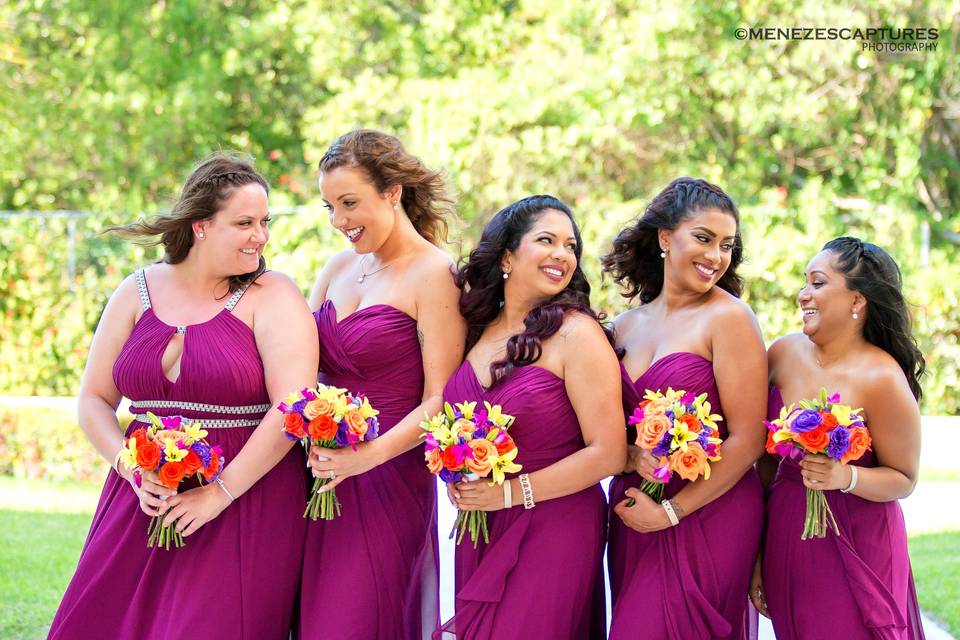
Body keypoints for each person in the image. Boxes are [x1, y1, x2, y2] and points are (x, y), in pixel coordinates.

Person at [48, 153, 318, 639]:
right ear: (201, 227)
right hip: (143, 498)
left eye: (265, 222)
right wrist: (131, 469)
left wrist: (219, 493)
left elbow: (291, 408)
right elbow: (93, 400)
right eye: (244, 223)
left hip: (245, 499)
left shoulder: (273, 295)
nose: (261, 236)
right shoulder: (135, 291)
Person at [436, 195, 625, 640]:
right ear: (506, 255)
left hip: (554, 525)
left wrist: (508, 493)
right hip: (480, 525)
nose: (563, 254)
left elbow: (609, 453)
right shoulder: (474, 330)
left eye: (570, 245)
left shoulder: (577, 333)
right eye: (547, 240)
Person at [302, 129, 466, 640]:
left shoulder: (435, 273)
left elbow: (441, 399)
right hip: (318, 474)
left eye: (349, 203)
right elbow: (302, 371)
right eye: (330, 207)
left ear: (392, 192)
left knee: (357, 617)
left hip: (387, 478)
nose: (339, 222)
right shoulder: (337, 267)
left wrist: (364, 458)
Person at [602, 177, 767, 640]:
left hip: (709, 512)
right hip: (635, 510)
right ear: (664, 237)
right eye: (704, 238)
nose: (716, 256)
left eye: (727, 245)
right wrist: (632, 457)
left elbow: (749, 438)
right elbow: (606, 428)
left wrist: (671, 511)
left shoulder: (729, 317)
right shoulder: (621, 328)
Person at [754, 236, 926, 640]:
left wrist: (845, 477)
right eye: (804, 283)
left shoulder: (881, 377)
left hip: (858, 543)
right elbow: (762, 460)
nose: (802, 295)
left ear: (857, 300)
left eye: (817, 283)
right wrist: (758, 553)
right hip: (788, 532)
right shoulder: (781, 355)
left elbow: (904, 478)